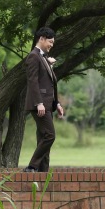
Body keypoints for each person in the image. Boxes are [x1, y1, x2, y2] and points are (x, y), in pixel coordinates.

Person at [24, 27, 64, 172]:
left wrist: (57, 103)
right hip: (39, 105)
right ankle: (32, 166)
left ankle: (43, 172)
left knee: (43, 138)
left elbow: (50, 83)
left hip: (47, 105)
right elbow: (33, 82)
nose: (51, 45)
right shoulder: (33, 56)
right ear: (41, 38)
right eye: (50, 42)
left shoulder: (43, 57)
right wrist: (39, 103)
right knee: (49, 136)